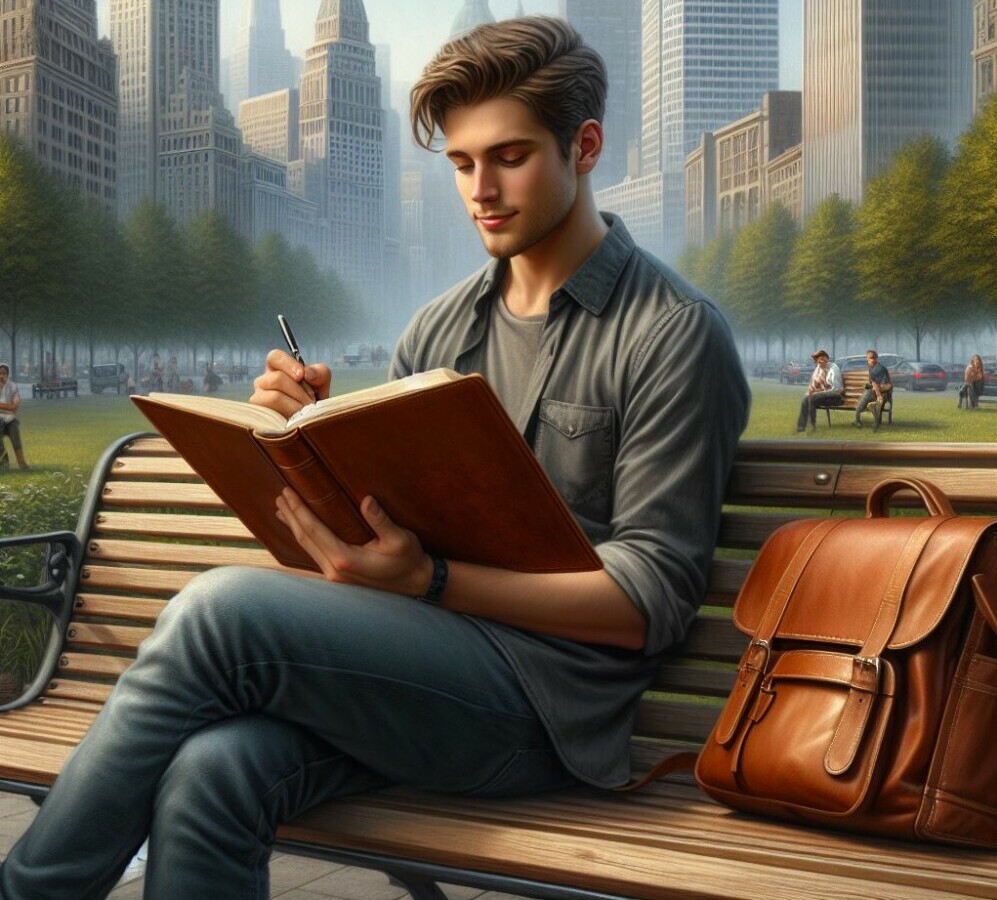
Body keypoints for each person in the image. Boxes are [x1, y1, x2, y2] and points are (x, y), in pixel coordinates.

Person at [0, 17, 749, 899]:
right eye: (462, 164)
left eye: (508, 156)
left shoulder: (671, 333)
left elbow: (648, 601)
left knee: (220, 610)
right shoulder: (437, 328)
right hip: (413, 669)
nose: (482, 189)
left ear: (582, 147)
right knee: (211, 770)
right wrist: (316, 445)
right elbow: (382, 539)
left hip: (545, 712)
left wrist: (427, 581)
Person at [795, 349, 842, 433]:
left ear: (826, 359)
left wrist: (819, 392)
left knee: (812, 398)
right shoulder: (819, 368)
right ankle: (801, 427)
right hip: (823, 396)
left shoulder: (833, 369)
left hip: (835, 396)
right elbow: (813, 384)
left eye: (821, 360)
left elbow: (836, 389)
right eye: (817, 361)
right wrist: (811, 390)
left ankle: (811, 426)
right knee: (806, 399)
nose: (818, 363)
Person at [853, 349, 892, 432]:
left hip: (882, 394)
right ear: (867, 359)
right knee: (868, 397)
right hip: (875, 394)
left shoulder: (879, 369)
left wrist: (879, 395)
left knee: (868, 394)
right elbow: (873, 383)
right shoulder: (872, 368)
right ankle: (861, 420)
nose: (872, 360)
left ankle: (859, 420)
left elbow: (886, 385)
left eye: (874, 358)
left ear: (877, 358)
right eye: (870, 358)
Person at [0, 363, 29, 470]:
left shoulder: (12, 387)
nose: (1, 376)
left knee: (15, 436)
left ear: (7, 375)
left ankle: (22, 462)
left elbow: (14, 406)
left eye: (3, 374)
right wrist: (7, 406)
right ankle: (4, 462)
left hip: (10, 419)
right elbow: (11, 406)